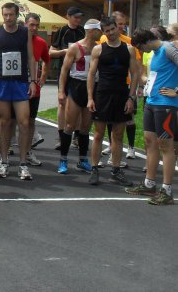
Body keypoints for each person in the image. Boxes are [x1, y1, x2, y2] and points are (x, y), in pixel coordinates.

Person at [87, 16, 141, 186]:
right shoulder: (98, 49)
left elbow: (135, 74)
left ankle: (116, 170)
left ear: (118, 28)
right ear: (103, 32)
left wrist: (131, 97)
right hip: (102, 94)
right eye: (107, 31)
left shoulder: (129, 49)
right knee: (98, 134)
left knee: (118, 135)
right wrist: (90, 98)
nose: (110, 33)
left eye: (112, 29)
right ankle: (94, 168)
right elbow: (91, 75)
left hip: (121, 95)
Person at [0, 2, 36, 180]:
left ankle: (23, 163)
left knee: (24, 122)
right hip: (2, 82)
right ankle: (4, 161)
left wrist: (33, 81)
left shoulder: (24, 32)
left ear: (17, 15)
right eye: (5, 15)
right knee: (4, 122)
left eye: (11, 15)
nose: (8, 18)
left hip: (20, 82)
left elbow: (31, 57)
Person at [128, 28, 178, 204]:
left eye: (140, 47)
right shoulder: (155, 52)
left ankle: (167, 191)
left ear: (147, 41)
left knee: (166, 146)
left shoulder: (168, 48)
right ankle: (149, 184)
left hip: (166, 104)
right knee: (150, 142)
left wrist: (176, 91)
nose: (141, 51)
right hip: (151, 102)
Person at [57, 19, 102, 174]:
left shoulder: (99, 48)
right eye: (99, 30)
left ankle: (82, 160)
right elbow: (64, 70)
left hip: (93, 87)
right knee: (70, 125)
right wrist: (61, 91)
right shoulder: (75, 48)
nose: (101, 33)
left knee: (85, 127)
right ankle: (63, 159)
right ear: (91, 31)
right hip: (77, 86)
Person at [99, 10, 142, 165]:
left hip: (126, 86)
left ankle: (130, 147)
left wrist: (136, 89)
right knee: (107, 122)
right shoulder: (103, 39)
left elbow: (137, 67)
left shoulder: (129, 43)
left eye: (123, 24)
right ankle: (111, 149)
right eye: (119, 24)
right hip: (107, 88)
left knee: (128, 119)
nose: (121, 27)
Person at [50, 7, 85, 150]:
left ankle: (77, 136)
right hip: (65, 71)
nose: (78, 20)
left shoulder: (83, 31)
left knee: (80, 104)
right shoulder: (62, 31)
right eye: (75, 17)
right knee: (62, 103)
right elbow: (51, 52)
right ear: (68, 17)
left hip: (81, 72)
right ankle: (61, 136)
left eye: (80, 17)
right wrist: (65, 51)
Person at [24, 13, 50, 166]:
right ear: (25, 24)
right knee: (10, 121)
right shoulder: (17, 39)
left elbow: (46, 59)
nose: (34, 28)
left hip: (33, 88)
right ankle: (5, 151)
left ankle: (28, 152)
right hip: (16, 86)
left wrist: (43, 77)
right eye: (31, 25)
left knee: (30, 121)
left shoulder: (41, 42)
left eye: (36, 25)